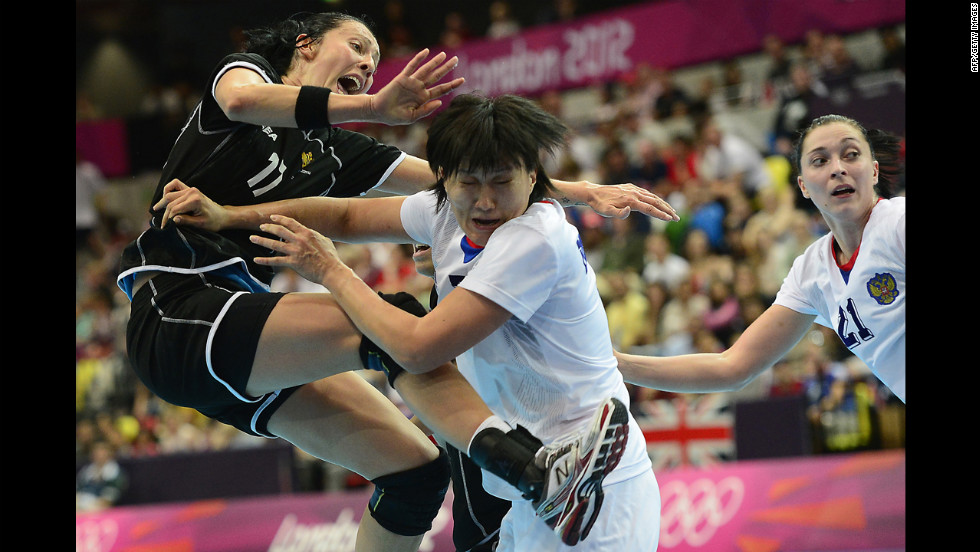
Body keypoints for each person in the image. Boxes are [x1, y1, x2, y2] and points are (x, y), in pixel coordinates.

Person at [117, 12, 677, 552]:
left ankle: (534, 475)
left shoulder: (334, 150)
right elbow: (242, 100)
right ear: (306, 43)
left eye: (376, 60)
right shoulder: (246, 77)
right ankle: (531, 470)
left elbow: (453, 181)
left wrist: (585, 192)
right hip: (178, 312)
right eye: (357, 46)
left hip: (247, 342)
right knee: (394, 324)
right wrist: (375, 107)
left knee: (417, 473)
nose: (368, 62)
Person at [615, 114, 905, 404]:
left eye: (851, 155)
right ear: (803, 186)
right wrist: (613, 364)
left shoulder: (897, 224)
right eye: (820, 161)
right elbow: (732, 368)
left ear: (875, 171)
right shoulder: (811, 273)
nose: (838, 169)